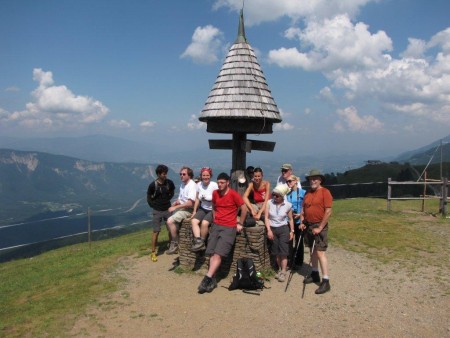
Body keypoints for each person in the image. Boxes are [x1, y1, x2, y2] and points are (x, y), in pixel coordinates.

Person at [197, 172, 247, 294]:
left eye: (222, 182)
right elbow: (214, 206)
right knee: (211, 253)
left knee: (218, 254)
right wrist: (214, 218)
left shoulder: (234, 195)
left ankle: (207, 278)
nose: (219, 184)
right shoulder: (215, 193)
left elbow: (244, 208)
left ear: (228, 182)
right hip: (216, 225)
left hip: (229, 227)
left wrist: (240, 223)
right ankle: (212, 280)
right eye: (218, 182)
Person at [300, 169, 333, 294]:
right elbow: (303, 209)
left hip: (320, 226)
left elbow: (328, 211)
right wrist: (302, 222)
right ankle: (315, 273)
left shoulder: (325, 192)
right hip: (309, 226)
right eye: (310, 178)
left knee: (320, 253)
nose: (312, 180)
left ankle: (326, 281)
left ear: (320, 180)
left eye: (315, 178)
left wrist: (320, 227)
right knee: (312, 251)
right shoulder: (308, 194)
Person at [264, 185, 294, 283]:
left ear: (282, 196)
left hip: (283, 229)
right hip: (273, 229)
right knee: (276, 251)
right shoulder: (269, 203)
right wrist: (268, 230)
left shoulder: (288, 205)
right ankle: (279, 269)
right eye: (273, 195)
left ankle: (284, 271)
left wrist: (292, 231)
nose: (274, 197)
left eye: (277, 196)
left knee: (284, 252)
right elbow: (266, 217)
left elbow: (290, 219)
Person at [146, 164, 176, 262]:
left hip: (167, 209)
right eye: (163, 174)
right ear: (158, 174)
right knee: (156, 231)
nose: (165, 175)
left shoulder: (169, 183)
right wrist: (153, 205)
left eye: (166, 173)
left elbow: (172, 191)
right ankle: (153, 252)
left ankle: (171, 246)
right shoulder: (153, 185)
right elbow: (149, 195)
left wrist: (168, 199)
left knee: (170, 229)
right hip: (157, 210)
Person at [165, 166, 197, 255]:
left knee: (170, 221)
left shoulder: (192, 185)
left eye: (184, 174)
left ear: (189, 175)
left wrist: (175, 208)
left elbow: (190, 203)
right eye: (180, 174)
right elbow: (181, 199)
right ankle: (174, 239)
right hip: (183, 208)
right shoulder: (183, 184)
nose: (181, 176)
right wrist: (176, 202)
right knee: (168, 221)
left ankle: (175, 243)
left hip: (189, 210)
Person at [190, 167, 218, 252]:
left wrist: (215, 214)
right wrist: (194, 211)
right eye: (204, 175)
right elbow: (197, 198)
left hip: (212, 209)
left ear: (210, 176)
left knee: (204, 223)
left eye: (207, 175)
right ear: (201, 176)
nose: (205, 177)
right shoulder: (199, 185)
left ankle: (202, 241)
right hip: (202, 208)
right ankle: (198, 241)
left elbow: (217, 200)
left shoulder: (214, 185)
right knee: (194, 221)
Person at [286, 175, 306, 269]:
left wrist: (301, 214)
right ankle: (290, 260)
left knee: (299, 241)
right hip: (290, 221)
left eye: (290, 181)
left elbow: (306, 206)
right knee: (289, 241)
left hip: (299, 221)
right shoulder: (288, 194)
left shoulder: (302, 192)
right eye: (287, 182)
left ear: (295, 181)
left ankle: (298, 262)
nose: (288, 183)